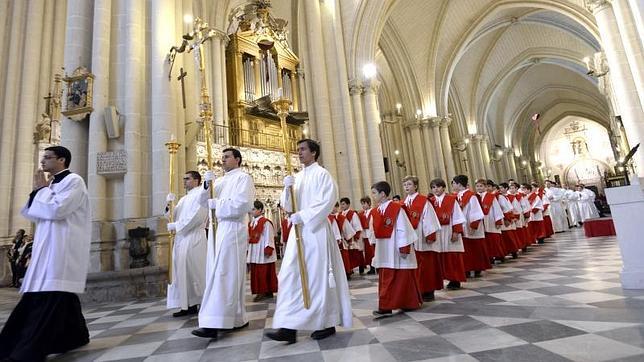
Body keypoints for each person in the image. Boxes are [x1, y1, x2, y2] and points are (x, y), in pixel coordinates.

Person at [0, 146, 90, 361]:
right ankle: (74, 336)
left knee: (49, 294)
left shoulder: (74, 181)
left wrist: (42, 190)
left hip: (61, 248)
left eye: (48, 158)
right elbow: (31, 212)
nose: (43, 162)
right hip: (47, 245)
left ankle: (26, 351)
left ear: (62, 160)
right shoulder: (50, 184)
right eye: (43, 158)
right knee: (60, 296)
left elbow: (59, 210)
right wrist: (38, 190)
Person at [267, 139, 352, 344]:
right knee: (289, 276)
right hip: (298, 233)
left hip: (315, 232)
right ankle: (288, 326)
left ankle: (325, 322)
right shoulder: (295, 177)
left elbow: (326, 202)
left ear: (314, 153)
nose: (299, 153)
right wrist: (287, 190)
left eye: (303, 149)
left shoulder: (323, 175)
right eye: (298, 150)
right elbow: (288, 206)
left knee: (316, 277)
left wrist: (303, 216)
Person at [192, 148, 256, 340]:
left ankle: (214, 322)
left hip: (233, 229)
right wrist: (206, 184)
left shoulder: (243, 178)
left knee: (225, 274)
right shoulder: (219, 181)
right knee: (218, 273)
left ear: (237, 159)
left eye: (227, 157)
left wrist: (217, 205)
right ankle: (235, 318)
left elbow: (242, 204)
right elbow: (203, 201)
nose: (223, 160)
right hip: (217, 230)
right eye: (222, 157)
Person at [369, 181, 422, 316]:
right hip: (384, 250)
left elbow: (403, 228)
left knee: (401, 278)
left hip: (396, 249)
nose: (372, 196)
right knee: (386, 277)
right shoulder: (375, 211)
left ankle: (404, 303)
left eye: (374, 193)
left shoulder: (396, 208)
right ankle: (386, 305)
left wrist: (404, 248)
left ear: (383, 194)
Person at [165, 171, 208, 317]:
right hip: (182, 239)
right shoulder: (184, 199)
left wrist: (176, 226)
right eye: (183, 179)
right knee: (181, 273)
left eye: (187, 179)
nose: (184, 181)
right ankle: (187, 305)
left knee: (195, 272)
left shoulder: (201, 194)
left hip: (194, 236)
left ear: (196, 180)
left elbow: (197, 216)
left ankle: (202, 302)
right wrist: (169, 205)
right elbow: (173, 216)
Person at [401, 176, 441, 302]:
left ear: (415, 186)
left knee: (426, 265)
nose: (407, 187)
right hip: (411, 238)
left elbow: (429, 218)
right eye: (405, 185)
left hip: (422, 237)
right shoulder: (403, 202)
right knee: (415, 265)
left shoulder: (424, 201)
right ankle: (417, 289)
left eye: (409, 184)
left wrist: (430, 235)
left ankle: (428, 290)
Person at [429, 178, 466, 290]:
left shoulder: (451, 199)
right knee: (440, 256)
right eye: (433, 187)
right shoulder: (430, 201)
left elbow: (457, 216)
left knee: (452, 256)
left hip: (449, 229)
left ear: (443, 188)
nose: (436, 190)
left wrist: (456, 231)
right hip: (438, 231)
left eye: (438, 187)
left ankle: (455, 280)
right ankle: (442, 278)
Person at [452, 175, 488, 277]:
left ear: (459, 184)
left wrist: (473, 225)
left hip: (470, 226)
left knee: (475, 248)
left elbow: (476, 211)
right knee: (466, 249)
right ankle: (467, 268)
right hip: (463, 226)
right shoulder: (457, 196)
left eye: (454, 183)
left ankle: (477, 267)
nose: (453, 185)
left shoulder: (471, 196)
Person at [247, 200, 278, 302]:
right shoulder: (251, 223)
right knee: (257, 271)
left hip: (262, 251)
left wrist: (268, 249)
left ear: (260, 210)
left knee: (264, 272)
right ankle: (263, 291)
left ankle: (264, 291)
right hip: (255, 250)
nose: (252, 211)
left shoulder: (266, 222)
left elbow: (269, 236)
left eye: (254, 209)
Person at [475, 179, 504, 263]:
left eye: (481, 186)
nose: (479, 188)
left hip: (490, 220)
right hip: (481, 221)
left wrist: (498, 221)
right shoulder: (475, 197)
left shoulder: (491, 196)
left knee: (493, 240)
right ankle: (489, 257)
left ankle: (499, 255)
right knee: (485, 241)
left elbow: (497, 209)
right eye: (477, 186)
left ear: (485, 187)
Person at [339, 197, 365, 274]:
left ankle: (361, 267)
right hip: (345, 236)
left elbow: (357, 226)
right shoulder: (340, 214)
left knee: (357, 252)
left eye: (343, 204)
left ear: (348, 204)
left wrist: (356, 236)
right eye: (341, 204)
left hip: (353, 236)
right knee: (348, 254)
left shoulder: (352, 214)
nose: (342, 206)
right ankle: (350, 269)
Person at [358, 196, 376, 274]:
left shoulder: (373, 211)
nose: (363, 205)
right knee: (368, 253)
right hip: (365, 234)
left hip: (372, 234)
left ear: (369, 203)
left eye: (364, 203)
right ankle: (371, 267)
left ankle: (376, 267)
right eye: (362, 204)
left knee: (374, 252)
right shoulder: (361, 213)